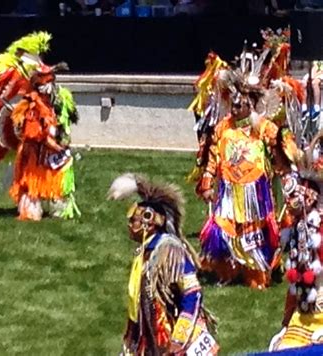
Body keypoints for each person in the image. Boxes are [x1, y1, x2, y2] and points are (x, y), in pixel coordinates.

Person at [189, 29, 304, 289]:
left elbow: (281, 158)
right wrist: (207, 182)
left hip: (256, 193)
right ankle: (228, 271)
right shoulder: (222, 128)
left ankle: (255, 273)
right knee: (225, 228)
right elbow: (212, 157)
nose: (236, 107)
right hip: (229, 192)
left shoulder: (264, 128)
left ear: (251, 104)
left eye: (241, 103)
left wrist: (289, 181)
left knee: (254, 231)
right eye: (234, 103)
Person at [0, 32, 80, 220]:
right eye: (44, 83)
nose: (48, 87)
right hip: (34, 153)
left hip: (53, 152)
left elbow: (65, 123)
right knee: (31, 183)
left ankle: (58, 207)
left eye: (51, 81)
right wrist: (53, 143)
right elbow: (35, 134)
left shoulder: (60, 100)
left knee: (59, 178)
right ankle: (30, 209)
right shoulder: (30, 106)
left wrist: (62, 138)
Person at [108, 173, 218, 355]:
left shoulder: (169, 251)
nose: (129, 225)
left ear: (148, 224)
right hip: (152, 336)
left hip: (173, 335)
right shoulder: (146, 251)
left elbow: (192, 293)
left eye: (133, 221)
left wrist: (179, 338)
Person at [269, 132, 323, 350]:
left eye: (304, 192)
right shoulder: (301, 228)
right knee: (284, 348)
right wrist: (286, 322)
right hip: (304, 315)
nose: (295, 200)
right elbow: (295, 281)